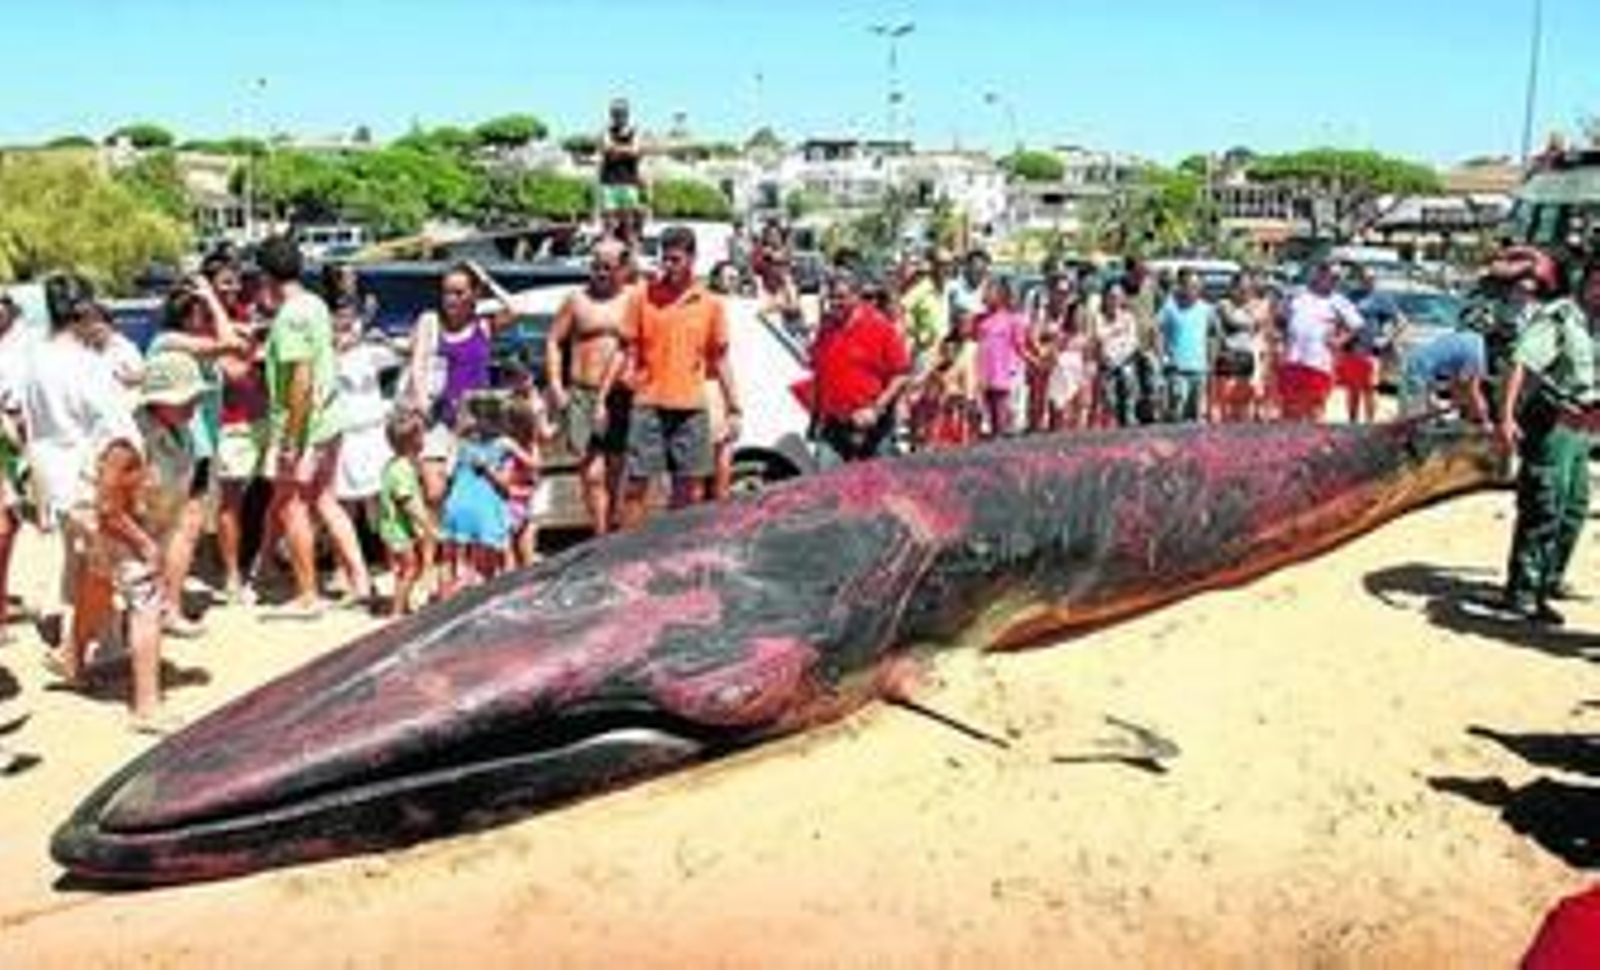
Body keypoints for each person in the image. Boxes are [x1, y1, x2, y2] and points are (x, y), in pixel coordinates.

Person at [57, 352, 209, 734]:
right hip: (113, 525)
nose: (194, 403)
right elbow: (108, 509)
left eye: (195, 395)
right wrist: (145, 545)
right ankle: (146, 707)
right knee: (147, 603)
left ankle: (71, 660)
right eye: (185, 397)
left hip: (134, 522)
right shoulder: (127, 442)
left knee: (98, 586)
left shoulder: (177, 427)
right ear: (158, 399)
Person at [254, 235, 371, 616]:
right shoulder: (315, 303)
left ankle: (307, 595)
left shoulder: (290, 317)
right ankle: (360, 581)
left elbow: (301, 378)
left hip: (305, 424)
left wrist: (291, 437)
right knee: (325, 500)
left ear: (266, 275)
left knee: (292, 505)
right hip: (330, 417)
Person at [602, 226, 742, 528]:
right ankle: (631, 550)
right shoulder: (642, 297)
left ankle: (677, 549)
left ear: (692, 258)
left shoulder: (711, 304)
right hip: (647, 405)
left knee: (690, 490)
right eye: (665, 259)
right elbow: (624, 348)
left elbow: (720, 359)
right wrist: (611, 388)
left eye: (675, 259)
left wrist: (734, 407)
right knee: (636, 487)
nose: (668, 265)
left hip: (691, 406)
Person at [22, 275, 136, 645]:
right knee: (103, 567)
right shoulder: (87, 365)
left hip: (54, 476)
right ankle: (100, 645)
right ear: (84, 310)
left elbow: (27, 422)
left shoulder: (35, 359)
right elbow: (114, 429)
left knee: (77, 561)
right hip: (88, 476)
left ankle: (75, 642)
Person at [145, 275, 250, 635]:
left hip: (198, 447)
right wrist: (213, 299)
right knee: (183, 530)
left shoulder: (195, 348)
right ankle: (169, 607)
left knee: (181, 529)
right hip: (186, 448)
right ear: (189, 315)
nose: (207, 318)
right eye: (202, 313)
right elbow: (231, 342)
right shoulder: (168, 341)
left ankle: (163, 603)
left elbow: (237, 361)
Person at [1498, 254, 1598, 626]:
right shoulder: (1561, 317)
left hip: (1584, 428)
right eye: (1598, 283)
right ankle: (1523, 592)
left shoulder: (1596, 324)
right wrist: (1506, 417)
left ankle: (1549, 579)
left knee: (1574, 508)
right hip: (1552, 423)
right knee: (1545, 507)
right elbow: (1521, 363)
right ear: (1585, 282)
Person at [406, 262, 520, 507]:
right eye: (447, 292)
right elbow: (417, 363)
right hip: (437, 419)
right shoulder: (430, 321)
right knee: (435, 492)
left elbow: (515, 309)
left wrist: (486, 280)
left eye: (459, 293)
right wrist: (421, 400)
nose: (451, 299)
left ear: (474, 294)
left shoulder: (483, 325)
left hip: (477, 424)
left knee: (472, 494)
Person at [546, 240, 634, 535]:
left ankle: (614, 530)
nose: (600, 273)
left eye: (608, 267)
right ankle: (600, 534)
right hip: (582, 392)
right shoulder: (576, 300)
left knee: (616, 472)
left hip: (621, 395)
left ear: (623, 269)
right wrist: (556, 384)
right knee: (591, 473)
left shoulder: (633, 299)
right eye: (595, 266)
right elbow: (554, 340)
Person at [809, 267, 913, 461]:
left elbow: (901, 373)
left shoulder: (880, 326)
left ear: (856, 296)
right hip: (833, 425)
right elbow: (819, 373)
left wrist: (876, 408)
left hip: (872, 427)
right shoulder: (827, 327)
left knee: (879, 478)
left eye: (841, 297)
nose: (834, 303)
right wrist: (815, 417)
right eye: (831, 297)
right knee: (825, 476)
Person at [438, 393, 512, 595]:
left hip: (455, 507)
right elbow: (505, 484)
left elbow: (447, 473)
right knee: (483, 569)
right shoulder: (502, 447)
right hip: (484, 510)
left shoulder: (459, 443)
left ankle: (446, 601)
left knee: (449, 561)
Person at [1278, 262, 1365, 422]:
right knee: (1289, 408)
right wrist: (1282, 340)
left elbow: (1357, 325)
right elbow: (1281, 319)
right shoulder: (1297, 294)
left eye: (1337, 278)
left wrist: (1339, 341)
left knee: (1315, 409)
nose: (1335, 281)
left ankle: (1313, 438)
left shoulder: (1339, 301)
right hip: (1292, 360)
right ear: (1319, 274)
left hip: (1319, 363)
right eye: (1332, 276)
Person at [376, 408, 435, 617]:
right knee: (409, 569)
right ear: (413, 442)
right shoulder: (401, 469)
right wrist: (428, 525)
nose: (425, 439)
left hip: (395, 527)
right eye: (422, 435)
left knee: (408, 568)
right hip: (398, 529)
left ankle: (401, 605)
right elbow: (406, 502)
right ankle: (397, 611)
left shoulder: (396, 464)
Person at [501, 394, 556, 569]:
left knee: (511, 543)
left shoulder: (508, 445)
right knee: (525, 537)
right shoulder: (527, 444)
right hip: (523, 497)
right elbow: (535, 469)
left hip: (514, 498)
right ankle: (525, 569)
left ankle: (514, 573)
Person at [1156, 268, 1217, 424]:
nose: (1194, 290)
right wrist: (1163, 358)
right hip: (1177, 370)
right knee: (1176, 417)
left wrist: (1211, 362)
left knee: (1197, 418)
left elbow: (1212, 335)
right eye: (1190, 285)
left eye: (1197, 286)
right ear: (1182, 286)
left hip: (1199, 370)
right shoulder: (1169, 308)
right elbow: (1158, 332)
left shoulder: (1207, 309)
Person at [973, 277, 1032, 438]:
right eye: (985, 292)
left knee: (1000, 410)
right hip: (982, 371)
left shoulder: (1011, 319)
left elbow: (1020, 347)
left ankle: (999, 442)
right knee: (985, 411)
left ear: (1001, 295)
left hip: (1001, 372)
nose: (987, 295)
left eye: (991, 292)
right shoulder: (979, 319)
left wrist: (1033, 362)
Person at [1397, 329, 1491, 424]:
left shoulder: (1474, 340)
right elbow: (1473, 392)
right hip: (1418, 370)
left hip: (1419, 366)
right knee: (1411, 421)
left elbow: (1456, 384)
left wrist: (1457, 403)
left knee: (1419, 418)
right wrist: (1485, 421)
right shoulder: (1477, 356)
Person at [1096, 281, 1143, 428]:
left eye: (1118, 297)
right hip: (1106, 367)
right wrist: (1115, 332)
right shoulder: (1098, 318)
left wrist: (1119, 359)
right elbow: (1099, 340)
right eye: (1111, 296)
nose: (1115, 300)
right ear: (1105, 298)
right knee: (1109, 405)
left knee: (1128, 397)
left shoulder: (1129, 318)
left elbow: (1133, 343)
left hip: (1124, 365)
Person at [598, 97, 645, 245]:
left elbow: (636, 151)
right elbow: (606, 148)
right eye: (615, 113)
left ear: (627, 114)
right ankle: (608, 246)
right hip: (609, 180)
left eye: (621, 112)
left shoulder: (635, 131)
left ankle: (631, 248)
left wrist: (615, 149)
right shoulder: (606, 131)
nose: (618, 116)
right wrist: (627, 150)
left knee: (629, 219)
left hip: (629, 180)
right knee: (608, 218)